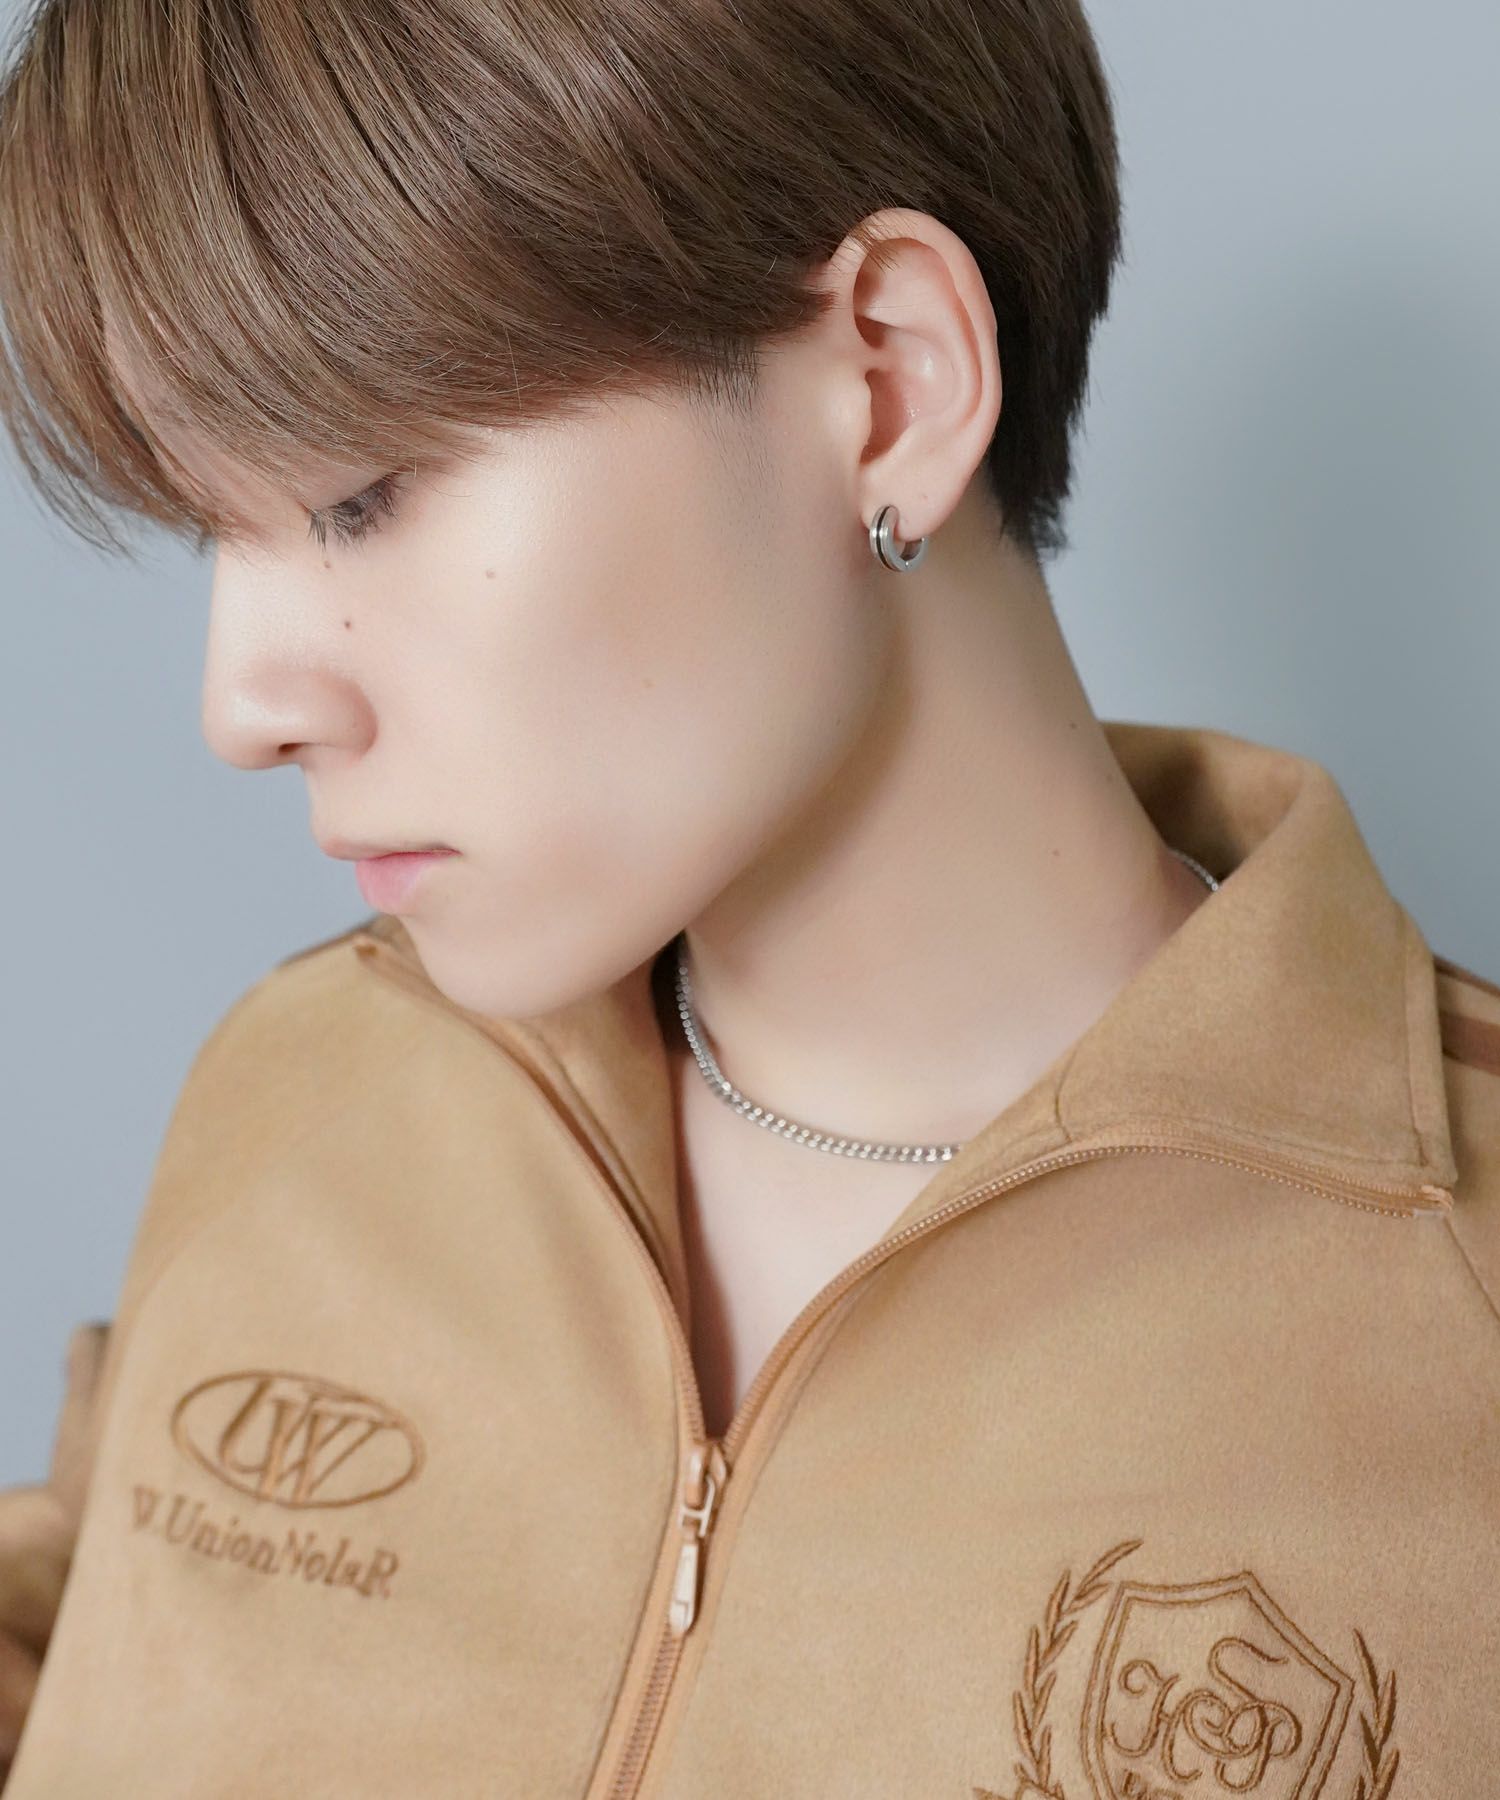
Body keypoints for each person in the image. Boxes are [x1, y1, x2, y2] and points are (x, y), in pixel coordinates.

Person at [1, 0, 1497, 1793]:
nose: (242, 704)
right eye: (209, 524)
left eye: (362, 494)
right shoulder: (309, 1091)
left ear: (891, 385)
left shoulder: (1458, 1334)